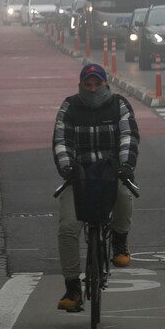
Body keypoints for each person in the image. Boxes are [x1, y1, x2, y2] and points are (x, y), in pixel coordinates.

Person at [52, 63, 140, 312]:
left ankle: (120, 240)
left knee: (124, 196)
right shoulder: (69, 107)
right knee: (68, 227)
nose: (92, 89)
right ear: (80, 85)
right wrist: (67, 168)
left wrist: (126, 166)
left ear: (105, 84)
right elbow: (61, 140)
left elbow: (129, 137)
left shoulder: (119, 105)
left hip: (111, 174)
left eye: (97, 84)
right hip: (78, 177)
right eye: (87, 85)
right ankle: (72, 288)